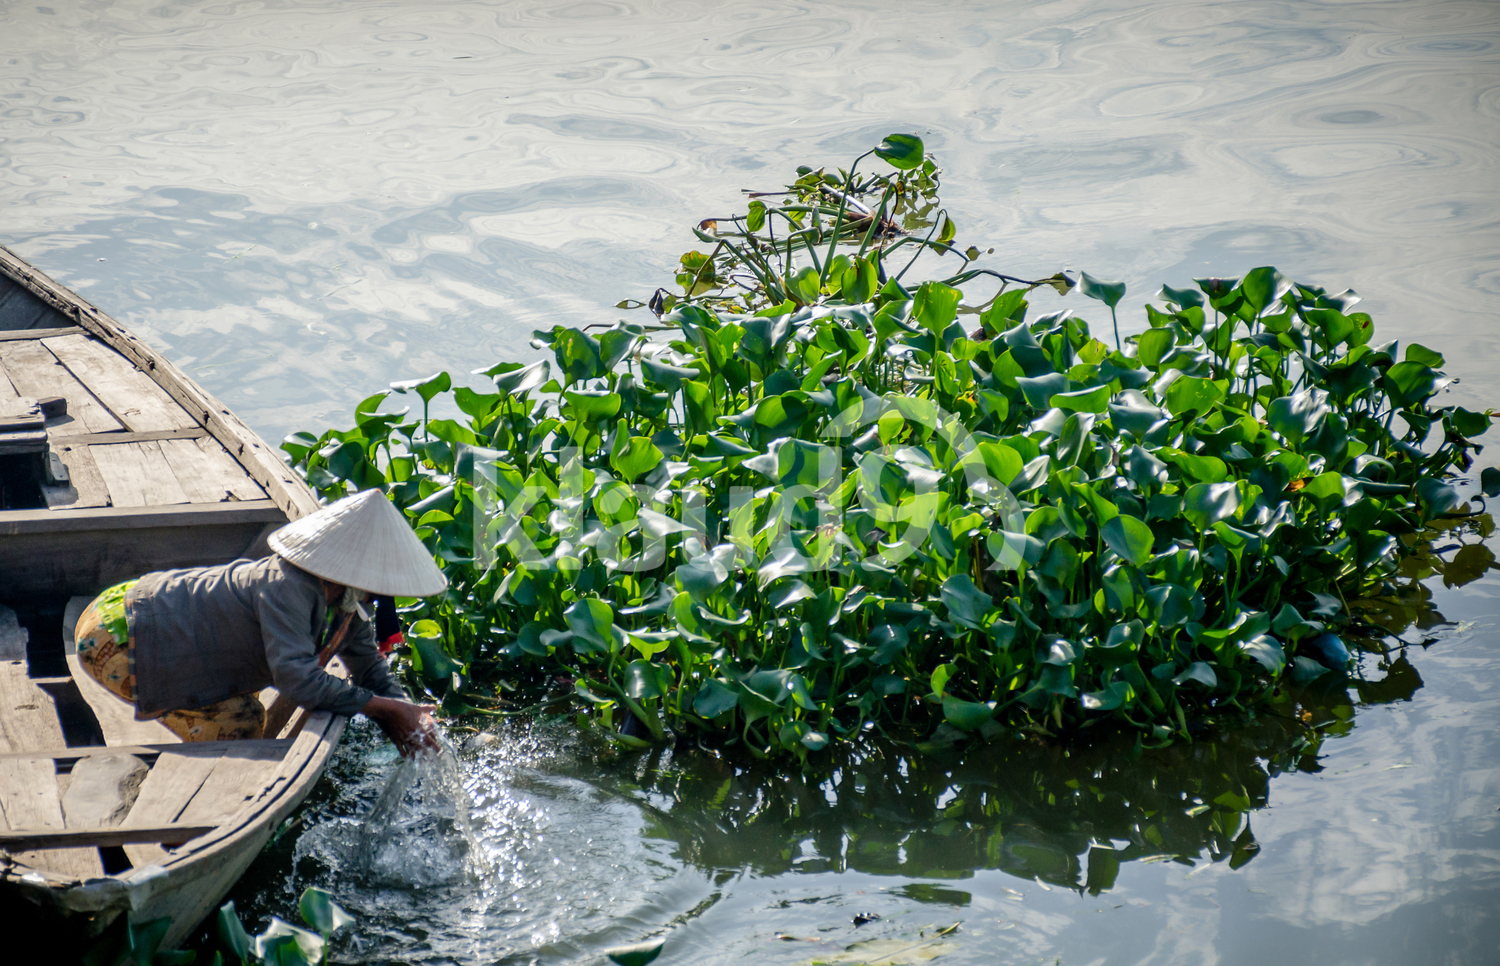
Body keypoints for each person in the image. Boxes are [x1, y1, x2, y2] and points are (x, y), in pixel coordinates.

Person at [72, 489, 446, 757]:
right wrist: (386, 710)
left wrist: (407, 712)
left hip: (143, 619)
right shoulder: (289, 586)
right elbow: (297, 680)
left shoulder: (347, 603)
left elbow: (370, 670)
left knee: (247, 716)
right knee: (242, 725)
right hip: (118, 632)